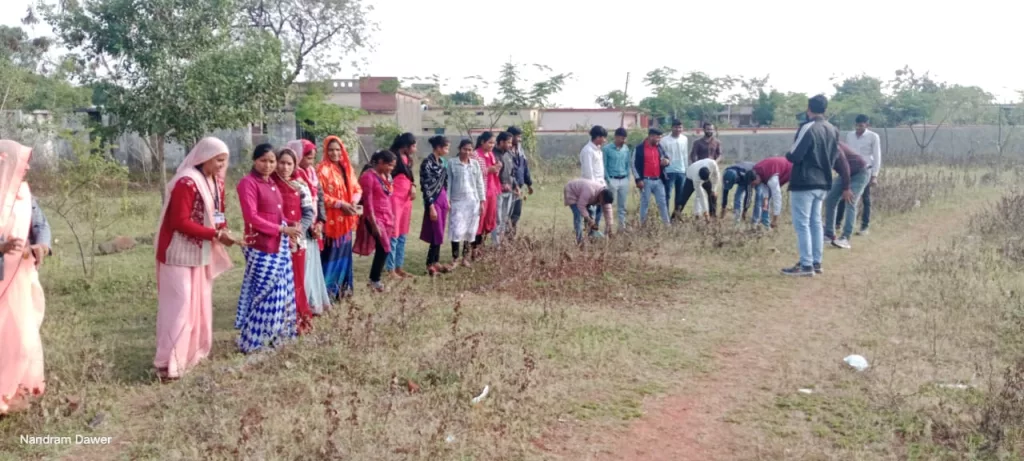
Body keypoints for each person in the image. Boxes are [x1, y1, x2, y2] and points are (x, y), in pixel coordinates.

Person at [153, 137, 236, 382]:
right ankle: (168, 362)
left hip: (201, 251)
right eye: (218, 160)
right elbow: (179, 221)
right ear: (204, 157)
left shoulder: (216, 182)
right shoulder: (187, 182)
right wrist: (215, 235)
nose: (222, 165)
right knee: (180, 306)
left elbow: (218, 213)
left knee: (199, 303)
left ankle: (191, 354)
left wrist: (223, 230)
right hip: (177, 252)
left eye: (224, 160)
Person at [0, 140, 51, 414]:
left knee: (22, 337)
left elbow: (41, 224)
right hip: (2, 277)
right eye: (22, 162)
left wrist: (42, 245)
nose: (28, 167)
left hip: (21, 276)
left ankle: (14, 388)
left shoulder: (25, 193)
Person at [235, 144, 301, 353]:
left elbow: (276, 214)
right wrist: (281, 229)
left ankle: (276, 337)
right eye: (263, 160)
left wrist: (290, 223)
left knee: (281, 293)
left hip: (278, 245)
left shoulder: (271, 183)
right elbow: (252, 217)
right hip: (260, 245)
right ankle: (254, 341)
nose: (268, 165)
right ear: (254, 161)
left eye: (272, 161)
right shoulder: (248, 183)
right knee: (265, 295)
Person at [781, 94, 842, 277]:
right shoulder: (832, 129)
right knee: (815, 223)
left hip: (805, 181)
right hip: (824, 181)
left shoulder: (808, 127)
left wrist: (788, 154)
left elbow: (794, 155)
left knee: (802, 224)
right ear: (825, 109)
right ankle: (816, 262)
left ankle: (806, 265)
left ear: (809, 109)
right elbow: (835, 156)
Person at [272, 148, 315, 334]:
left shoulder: (300, 186)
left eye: (289, 164)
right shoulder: (269, 185)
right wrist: (283, 231)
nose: (285, 167)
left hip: (297, 240)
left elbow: (308, 213)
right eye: (281, 163)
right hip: (275, 239)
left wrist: (298, 231)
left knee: (297, 279)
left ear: (295, 165)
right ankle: (279, 322)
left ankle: (299, 319)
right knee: (278, 282)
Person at [317, 136, 361, 300]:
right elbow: (320, 196)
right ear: (325, 151)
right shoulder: (321, 170)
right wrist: (340, 204)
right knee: (330, 257)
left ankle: (343, 291)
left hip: (346, 221)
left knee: (344, 256)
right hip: (331, 223)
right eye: (331, 150)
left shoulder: (347, 168)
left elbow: (357, 188)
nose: (334, 153)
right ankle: (328, 294)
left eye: (337, 149)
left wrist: (353, 202)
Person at [290, 139, 331, 315]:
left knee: (313, 264)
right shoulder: (292, 176)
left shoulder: (312, 174)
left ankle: (313, 301)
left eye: (313, 158)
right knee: (303, 266)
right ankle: (302, 302)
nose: (310, 162)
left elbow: (320, 198)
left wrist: (320, 222)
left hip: (314, 226)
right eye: (307, 157)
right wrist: (308, 226)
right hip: (300, 227)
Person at [354, 150, 398, 292]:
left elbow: (387, 197)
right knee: (385, 247)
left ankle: (374, 280)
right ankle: (375, 280)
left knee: (383, 248)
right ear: (380, 162)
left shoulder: (386, 176)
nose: (391, 168)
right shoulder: (368, 177)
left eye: (393, 166)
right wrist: (373, 223)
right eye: (389, 165)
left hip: (386, 216)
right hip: (373, 217)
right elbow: (368, 202)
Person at [836, 114, 882, 236]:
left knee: (865, 198)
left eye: (861, 126)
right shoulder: (850, 135)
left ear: (867, 125)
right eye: (856, 125)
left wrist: (874, 175)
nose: (858, 128)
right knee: (843, 194)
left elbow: (877, 156)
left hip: (865, 171)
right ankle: (837, 223)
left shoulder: (873, 136)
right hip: (850, 170)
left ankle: (864, 226)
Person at [448, 139, 486, 267]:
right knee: (456, 230)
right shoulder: (452, 163)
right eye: (465, 149)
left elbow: (480, 183)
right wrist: (448, 200)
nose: (467, 152)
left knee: (470, 231)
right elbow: (448, 183)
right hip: (457, 201)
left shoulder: (475, 164)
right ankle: (455, 258)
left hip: (473, 201)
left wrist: (482, 201)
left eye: (470, 150)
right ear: (459, 149)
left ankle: (465, 258)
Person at [825, 142, 869, 250]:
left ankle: (845, 238)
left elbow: (845, 167)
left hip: (860, 173)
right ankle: (829, 234)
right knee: (830, 199)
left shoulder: (834, 147)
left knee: (850, 201)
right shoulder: (823, 146)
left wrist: (846, 188)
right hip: (846, 174)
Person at [386, 133, 417, 278]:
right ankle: (390, 268)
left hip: (406, 200)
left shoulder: (407, 159)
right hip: (395, 199)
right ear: (405, 146)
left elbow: (410, 178)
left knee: (402, 234)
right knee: (394, 234)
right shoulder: (393, 157)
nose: (415, 149)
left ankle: (399, 266)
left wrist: (413, 185)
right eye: (413, 146)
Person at [420, 136, 451, 275]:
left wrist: (447, 200)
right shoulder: (427, 163)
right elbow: (425, 185)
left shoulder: (442, 162)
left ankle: (436, 261)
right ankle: (429, 264)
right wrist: (430, 206)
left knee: (440, 231)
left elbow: (445, 182)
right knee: (435, 231)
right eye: (446, 147)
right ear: (438, 147)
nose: (447, 150)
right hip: (433, 199)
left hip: (442, 197)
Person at [633, 128, 671, 225]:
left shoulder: (659, 147)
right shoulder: (639, 148)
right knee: (645, 203)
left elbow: (666, 157)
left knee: (662, 203)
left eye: (660, 138)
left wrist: (667, 161)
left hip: (658, 180)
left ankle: (667, 225)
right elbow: (633, 164)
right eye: (657, 137)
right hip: (646, 181)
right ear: (651, 136)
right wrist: (638, 179)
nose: (659, 140)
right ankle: (643, 225)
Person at [746, 157, 793, 229]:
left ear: (756, 178)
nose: (753, 186)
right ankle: (765, 222)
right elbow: (765, 190)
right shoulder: (757, 170)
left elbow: (777, 197)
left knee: (793, 196)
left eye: (753, 183)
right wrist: (765, 201)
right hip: (776, 166)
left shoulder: (772, 180)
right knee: (766, 198)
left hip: (792, 168)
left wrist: (775, 219)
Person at [473, 131, 500, 256]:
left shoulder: (491, 154)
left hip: (492, 191)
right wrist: (489, 170)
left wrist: (497, 168)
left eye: (493, 143)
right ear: (482, 142)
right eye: (490, 142)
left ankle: (481, 246)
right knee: (479, 220)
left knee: (489, 220)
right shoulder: (475, 155)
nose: (492, 145)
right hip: (481, 192)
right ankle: (474, 248)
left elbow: (494, 172)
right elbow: (473, 173)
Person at [563, 178, 614, 244]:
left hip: (583, 196)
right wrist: (589, 219)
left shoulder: (606, 196)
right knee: (578, 215)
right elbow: (581, 206)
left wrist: (609, 226)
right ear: (601, 196)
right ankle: (579, 240)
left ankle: (591, 237)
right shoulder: (589, 191)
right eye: (602, 202)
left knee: (591, 214)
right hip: (572, 191)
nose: (602, 204)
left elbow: (608, 210)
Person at [602, 127, 632, 230]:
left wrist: (628, 178)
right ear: (616, 137)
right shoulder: (607, 149)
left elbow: (627, 164)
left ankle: (621, 227)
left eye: (625, 138)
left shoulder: (626, 149)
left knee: (622, 206)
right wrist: (608, 180)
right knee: (609, 205)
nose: (623, 140)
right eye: (621, 138)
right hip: (612, 180)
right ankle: (608, 228)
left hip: (623, 179)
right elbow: (604, 165)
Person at [492, 131, 518, 245]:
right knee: (497, 218)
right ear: (501, 142)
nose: (510, 145)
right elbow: (492, 175)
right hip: (497, 192)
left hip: (509, 191)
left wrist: (516, 185)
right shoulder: (493, 155)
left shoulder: (509, 154)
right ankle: (496, 244)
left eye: (511, 142)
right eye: (508, 142)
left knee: (504, 218)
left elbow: (512, 173)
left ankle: (501, 242)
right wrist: (501, 183)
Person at [676, 157, 721, 222]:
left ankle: (713, 216)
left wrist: (714, 189)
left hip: (704, 174)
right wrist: (705, 212)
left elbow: (717, 176)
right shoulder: (696, 178)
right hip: (690, 178)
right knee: (684, 198)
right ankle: (675, 217)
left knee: (712, 194)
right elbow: (701, 196)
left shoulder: (712, 164)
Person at [507, 126, 533, 236]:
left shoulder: (520, 151)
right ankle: (504, 238)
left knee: (516, 214)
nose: (519, 139)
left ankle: (511, 237)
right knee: (507, 214)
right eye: (518, 137)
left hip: (519, 188)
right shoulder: (506, 152)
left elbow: (524, 168)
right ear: (511, 136)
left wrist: (529, 183)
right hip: (508, 188)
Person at [659, 119, 688, 219]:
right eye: (676, 127)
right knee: (667, 195)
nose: (678, 129)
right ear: (672, 128)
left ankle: (675, 217)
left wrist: (686, 169)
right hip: (669, 171)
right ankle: (666, 217)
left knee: (680, 196)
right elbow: (661, 155)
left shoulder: (684, 139)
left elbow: (685, 154)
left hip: (681, 171)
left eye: (680, 127)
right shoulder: (664, 140)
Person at [580, 125, 608, 228]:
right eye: (603, 137)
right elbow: (588, 172)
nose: (605, 140)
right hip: (592, 186)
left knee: (600, 210)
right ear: (598, 137)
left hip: (601, 185)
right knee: (592, 211)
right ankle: (590, 232)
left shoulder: (598, 150)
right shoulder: (588, 151)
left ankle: (595, 231)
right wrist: (593, 189)